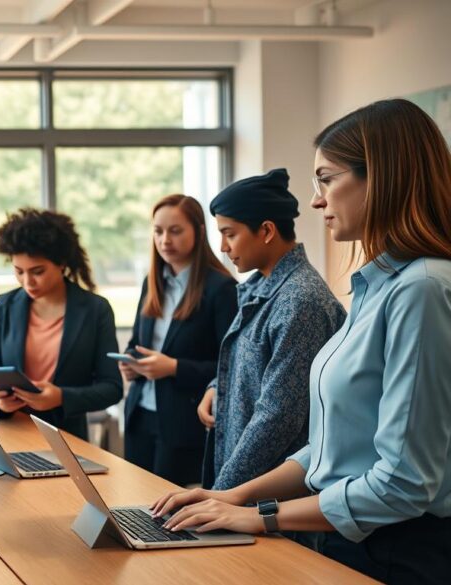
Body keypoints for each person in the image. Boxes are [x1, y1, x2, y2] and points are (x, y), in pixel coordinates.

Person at [151, 98, 451, 585]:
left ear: (381, 176)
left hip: (397, 550)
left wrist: (258, 515)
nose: (316, 201)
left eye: (327, 180)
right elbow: (333, 446)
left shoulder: (421, 291)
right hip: (352, 539)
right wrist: (235, 496)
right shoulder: (377, 288)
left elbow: (403, 483)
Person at [198, 169, 345, 490]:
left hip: (271, 494)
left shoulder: (299, 300)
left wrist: (221, 493)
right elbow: (249, 365)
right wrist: (216, 386)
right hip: (245, 487)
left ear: (266, 230)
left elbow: (278, 416)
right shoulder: (261, 288)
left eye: (230, 234)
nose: (222, 246)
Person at [121, 195, 237, 486]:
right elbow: (137, 341)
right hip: (141, 415)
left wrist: (173, 367)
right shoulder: (152, 283)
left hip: (184, 421)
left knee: (164, 513)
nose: (164, 240)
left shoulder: (221, 288)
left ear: (198, 231)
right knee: (132, 502)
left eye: (175, 231)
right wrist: (129, 362)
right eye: (158, 231)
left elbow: (231, 367)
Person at [0, 208, 122, 441]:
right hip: (11, 435)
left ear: (61, 263)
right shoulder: (2, 308)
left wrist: (62, 397)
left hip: (68, 439)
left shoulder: (96, 310)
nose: (28, 282)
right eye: (19, 272)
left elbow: (112, 388)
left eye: (38, 272)